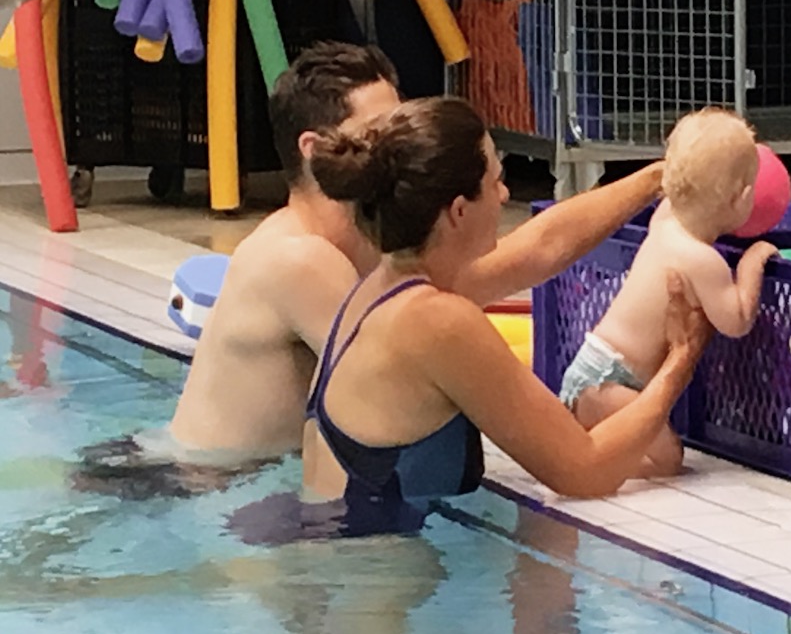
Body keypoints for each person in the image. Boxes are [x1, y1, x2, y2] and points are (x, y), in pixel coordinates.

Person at [160, 41, 666, 470]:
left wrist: (658, 177)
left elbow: (533, 251)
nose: (399, 142)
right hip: (217, 488)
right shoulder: (300, 258)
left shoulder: (377, 246)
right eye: (379, 130)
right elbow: (564, 456)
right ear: (314, 150)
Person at [297, 96, 708, 533]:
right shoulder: (439, 321)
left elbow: (543, 246)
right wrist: (681, 358)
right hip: (383, 564)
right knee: (553, 537)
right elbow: (586, 471)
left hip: (337, 545)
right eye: (496, 181)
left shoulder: (381, 289)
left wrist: (662, 177)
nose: (505, 195)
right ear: (459, 211)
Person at [557, 108, 776, 476]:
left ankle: (590, 447)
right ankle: (599, 467)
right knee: (669, 459)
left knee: (637, 444)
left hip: (593, 366)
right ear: (742, 198)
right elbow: (737, 321)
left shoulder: (665, 217)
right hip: (612, 381)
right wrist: (753, 261)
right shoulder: (702, 259)